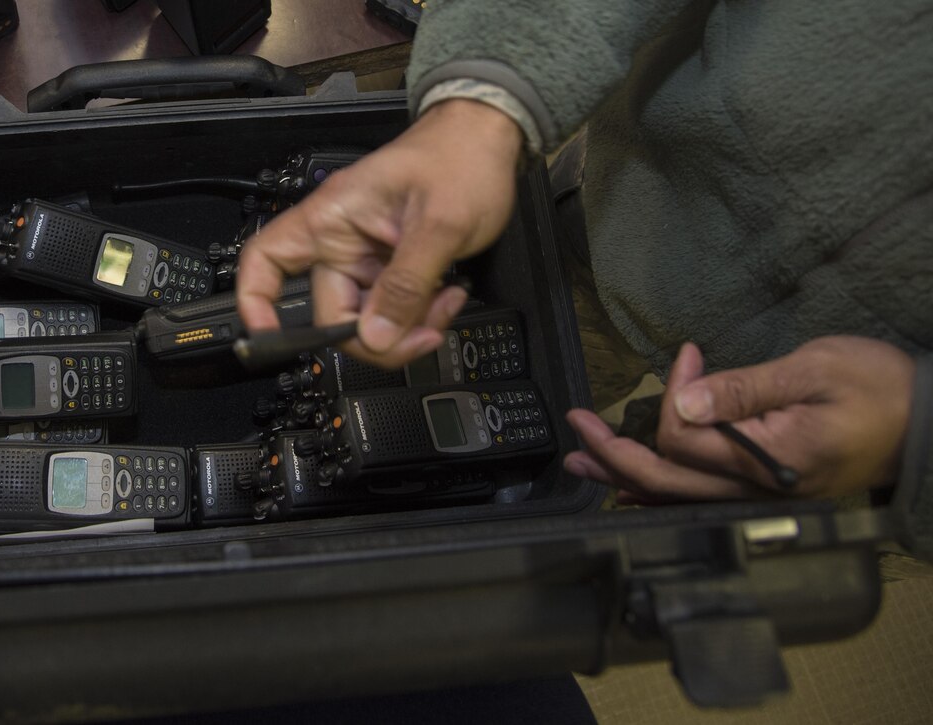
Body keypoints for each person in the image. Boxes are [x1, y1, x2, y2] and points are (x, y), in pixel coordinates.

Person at [237, 1, 932, 557]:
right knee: (550, 402)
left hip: (838, 433)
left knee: (604, 490)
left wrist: (913, 436)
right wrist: (483, 98)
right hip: (616, 202)